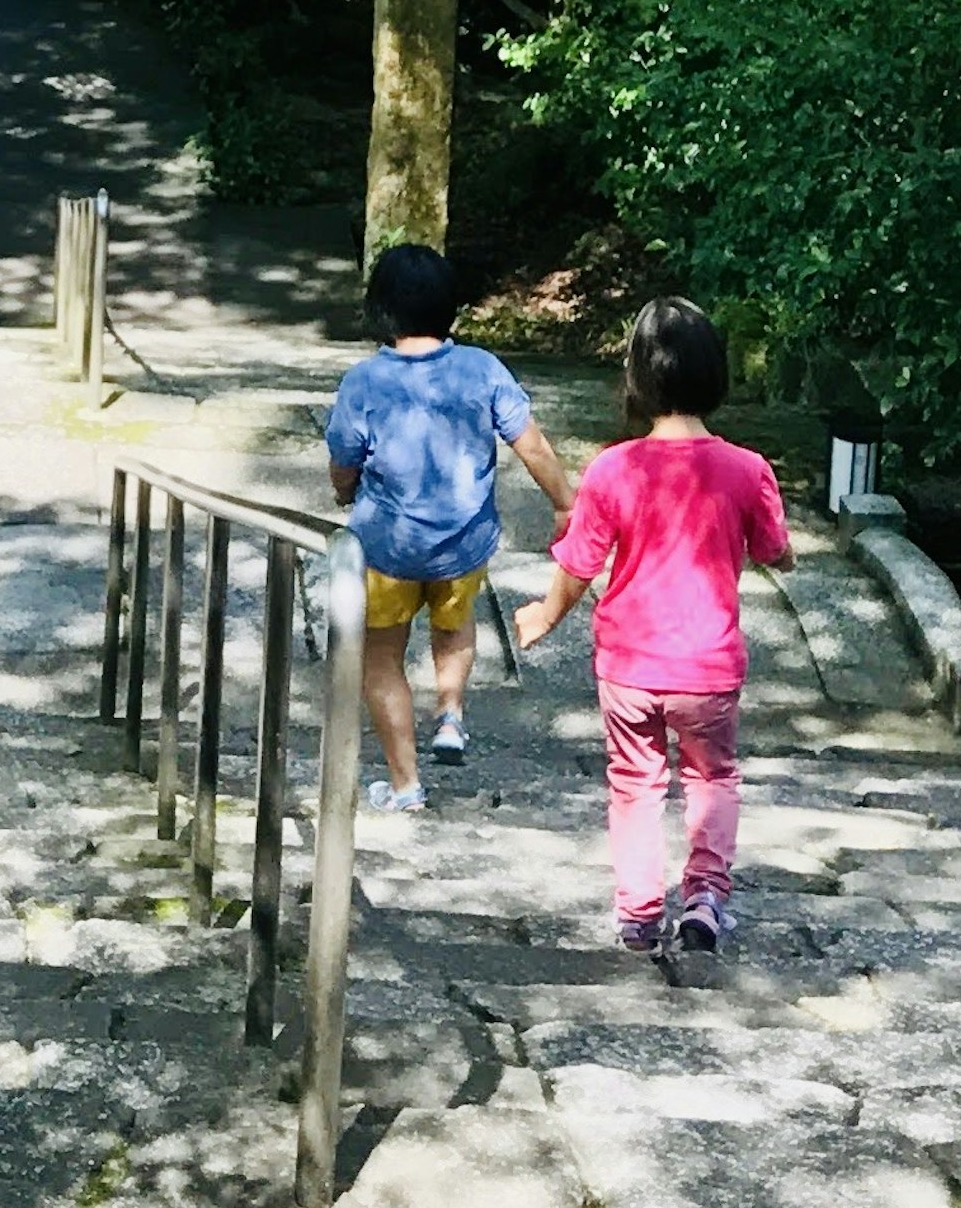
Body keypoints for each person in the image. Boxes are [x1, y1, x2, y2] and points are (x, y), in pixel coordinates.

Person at [512, 295, 788, 956]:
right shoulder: (747, 470)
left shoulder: (613, 468)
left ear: (636, 376)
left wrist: (546, 614)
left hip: (629, 664)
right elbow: (774, 548)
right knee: (712, 777)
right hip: (708, 664)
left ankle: (638, 911)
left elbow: (579, 562)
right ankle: (705, 898)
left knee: (635, 782)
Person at [325, 244, 574, 815]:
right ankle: (451, 714)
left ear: (380, 309)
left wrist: (344, 494)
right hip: (464, 543)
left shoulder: (364, 382)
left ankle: (407, 784)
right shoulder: (482, 369)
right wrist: (565, 502)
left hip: (388, 548)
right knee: (455, 625)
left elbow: (344, 459)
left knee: (381, 658)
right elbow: (528, 442)